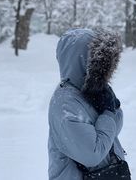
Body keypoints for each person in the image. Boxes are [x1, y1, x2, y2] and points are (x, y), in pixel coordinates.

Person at [48, 28, 126, 180]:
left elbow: (116, 126)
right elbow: (92, 154)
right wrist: (108, 113)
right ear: (84, 60)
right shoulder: (66, 104)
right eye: (99, 62)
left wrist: (111, 109)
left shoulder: (94, 91)